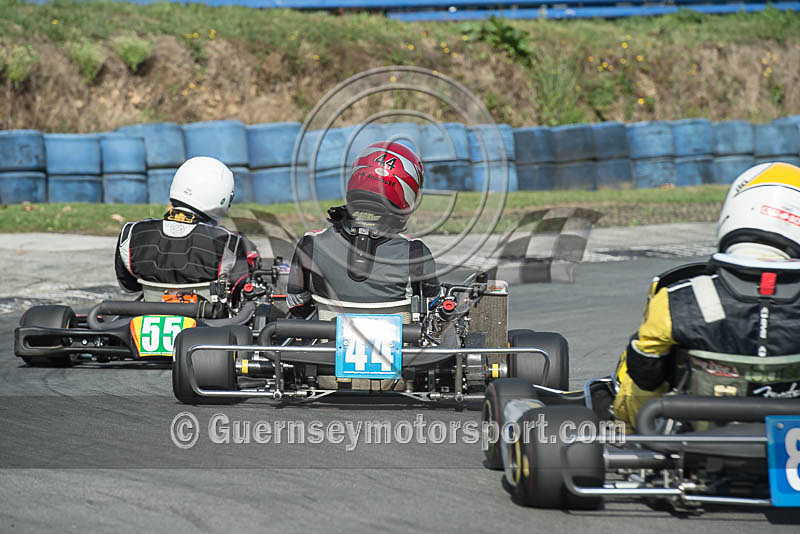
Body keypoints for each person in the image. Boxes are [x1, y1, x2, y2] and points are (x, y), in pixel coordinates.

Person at [613, 162, 800, 429]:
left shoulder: (680, 300)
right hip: (793, 441)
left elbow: (643, 380)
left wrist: (639, 430)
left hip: (703, 443)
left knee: (644, 357)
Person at [287, 141, 440, 318]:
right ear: (407, 190)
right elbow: (433, 307)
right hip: (396, 335)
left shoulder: (312, 243)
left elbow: (296, 304)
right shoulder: (415, 251)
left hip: (327, 334)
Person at [115, 156, 260, 295]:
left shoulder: (132, 234)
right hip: (207, 312)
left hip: (150, 309)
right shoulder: (231, 244)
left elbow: (130, 286)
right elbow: (239, 290)